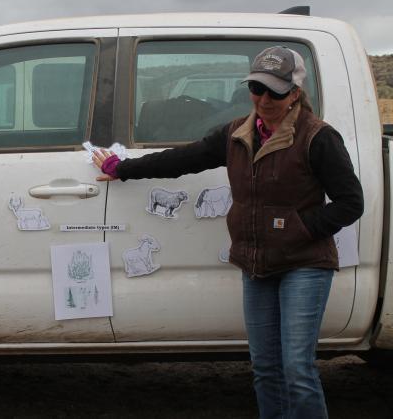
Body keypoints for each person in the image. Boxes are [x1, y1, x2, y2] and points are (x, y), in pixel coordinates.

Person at [93, 46, 364, 419]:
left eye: (276, 92)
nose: (265, 99)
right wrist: (123, 167)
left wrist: (300, 229)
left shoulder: (318, 137)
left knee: (297, 370)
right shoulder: (236, 133)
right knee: (265, 369)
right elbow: (184, 160)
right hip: (256, 265)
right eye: (256, 88)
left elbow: (351, 203)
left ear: (295, 93)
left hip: (304, 264)